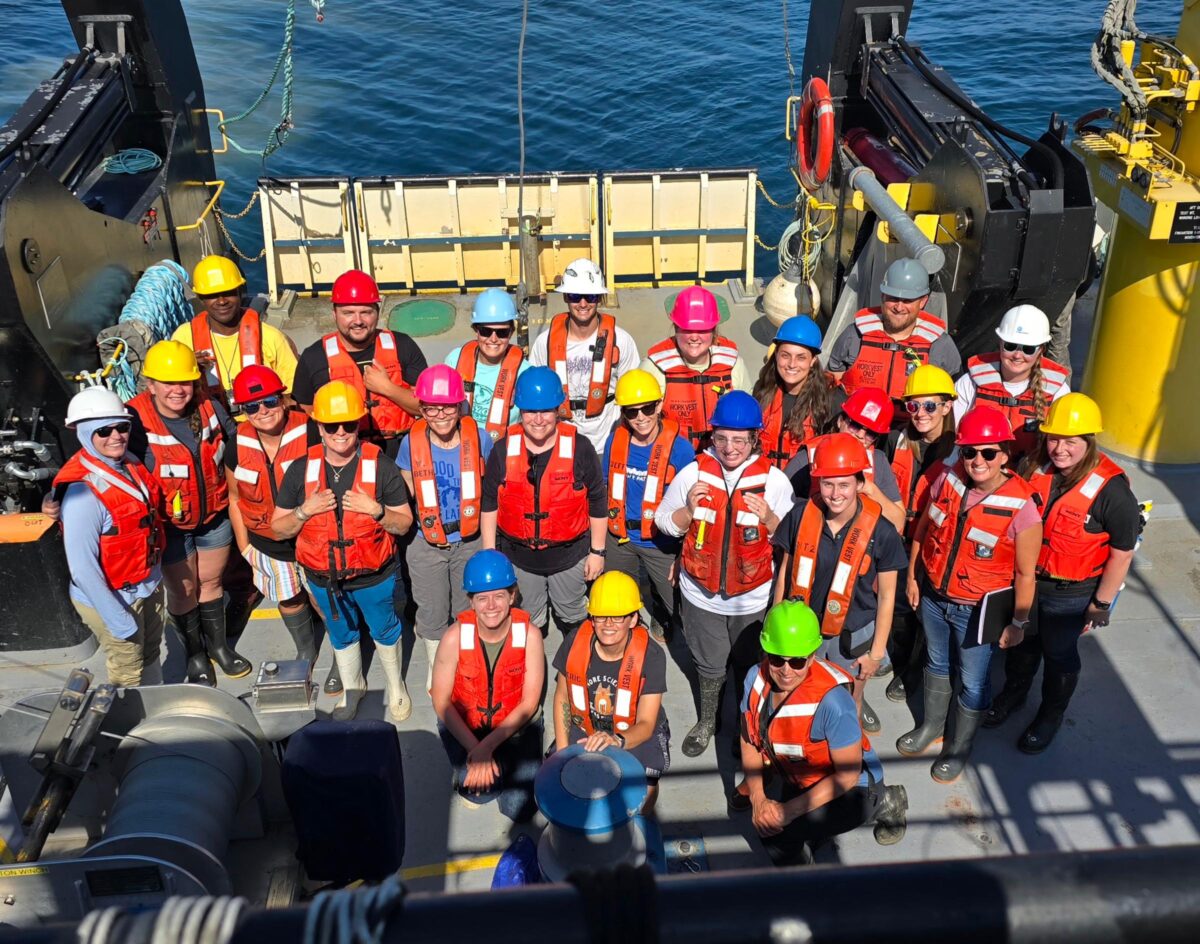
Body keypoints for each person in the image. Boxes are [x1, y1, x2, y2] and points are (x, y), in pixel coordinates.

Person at [985, 394, 1140, 753]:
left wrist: (1100, 604)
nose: (1060, 449)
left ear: (1089, 442)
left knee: (1059, 653)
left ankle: (1051, 713)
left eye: (1071, 441)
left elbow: (1122, 552)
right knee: (1022, 646)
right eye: (1054, 438)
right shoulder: (1035, 467)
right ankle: (1014, 694)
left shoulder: (1112, 492)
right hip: (1027, 581)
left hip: (1070, 593)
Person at [898, 406, 1042, 783]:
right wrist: (913, 578)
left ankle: (958, 748)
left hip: (977, 612)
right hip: (934, 597)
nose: (978, 460)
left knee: (975, 680)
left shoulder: (1022, 508)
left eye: (988, 452)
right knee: (936, 662)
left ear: (1005, 455)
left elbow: (1026, 574)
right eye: (969, 451)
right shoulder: (947, 481)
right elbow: (923, 532)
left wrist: (1018, 622)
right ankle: (931, 727)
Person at [654, 390, 794, 757]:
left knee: (749, 668)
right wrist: (687, 510)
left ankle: (744, 728)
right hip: (701, 596)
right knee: (709, 666)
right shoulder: (694, 473)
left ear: (754, 439)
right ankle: (708, 720)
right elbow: (663, 522)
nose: (730, 448)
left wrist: (769, 518)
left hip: (753, 599)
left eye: (739, 439)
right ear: (712, 436)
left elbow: (793, 539)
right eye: (722, 438)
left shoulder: (775, 481)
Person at [271, 381, 414, 721]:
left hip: (373, 575)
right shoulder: (299, 470)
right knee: (341, 633)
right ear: (319, 426)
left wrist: (376, 510)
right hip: (323, 577)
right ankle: (353, 689)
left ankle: (396, 687)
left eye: (348, 424)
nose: (340, 432)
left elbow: (404, 523)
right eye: (331, 425)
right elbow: (278, 527)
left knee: (385, 628)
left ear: (359, 424)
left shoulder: (381, 467)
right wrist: (304, 511)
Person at [738, 601, 908, 866]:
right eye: (776, 659)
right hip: (800, 774)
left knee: (776, 835)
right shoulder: (754, 679)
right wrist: (759, 799)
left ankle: (885, 800)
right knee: (775, 820)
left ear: (812, 655)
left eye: (797, 662)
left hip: (854, 787)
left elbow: (848, 775)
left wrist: (787, 812)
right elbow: (748, 738)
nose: (785, 671)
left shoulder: (833, 704)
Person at [770, 433, 907, 739]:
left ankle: (846, 757)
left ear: (860, 484)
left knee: (850, 699)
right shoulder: (799, 516)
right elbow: (784, 573)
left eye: (844, 484)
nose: (834, 494)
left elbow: (887, 597)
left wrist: (875, 653)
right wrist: (776, 624)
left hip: (853, 635)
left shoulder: (881, 532)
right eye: (827, 483)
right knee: (802, 695)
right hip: (802, 630)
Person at [127, 340, 247, 686]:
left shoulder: (210, 408)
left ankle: (219, 648)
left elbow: (238, 445)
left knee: (210, 583)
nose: (178, 391)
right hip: (168, 526)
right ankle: (196, 656)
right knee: (183, 592)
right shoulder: (134, 418)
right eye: (168, 383)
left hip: (214, 517)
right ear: (151, 385)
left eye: (185, 382)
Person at [222, 366, 342, 695]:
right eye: (251, 406)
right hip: (266, 545)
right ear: (242, 411)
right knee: (288, 598)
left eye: (270, 401)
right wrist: (245, 547)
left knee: (324, 601)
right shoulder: (236, 445)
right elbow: (234, 499)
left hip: (314, 540)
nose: (262, 411)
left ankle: (341, 658)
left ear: (284, 399)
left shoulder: (312, 433)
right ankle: (306, 650)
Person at [480, 366, 607, 636]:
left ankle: (573, 663)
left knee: (572, 611)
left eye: (546, 411)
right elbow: (490, 502)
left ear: (557, 410)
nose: (538, 420)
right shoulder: (502, 450)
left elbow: (597, 500)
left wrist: (597, 553)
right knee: (529, 618)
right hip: (519, 558)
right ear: (520, 411)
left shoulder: (581, 448)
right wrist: (491, 554)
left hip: (570, 557)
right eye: (530, 412)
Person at [52, 387, 166, 687]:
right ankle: (132, 729)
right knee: (128, 673)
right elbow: (82, 567)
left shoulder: (128, 463)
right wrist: (116, 617)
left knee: (150, 653)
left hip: (146, 584)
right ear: (85, 433)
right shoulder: (82, 494)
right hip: (114, 598)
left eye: (122, 427)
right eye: (103, 430)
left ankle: (158, 710)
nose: (116, 436)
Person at [397, 365, 493, 688]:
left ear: (460, 405)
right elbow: (403, 489)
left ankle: (465, 659)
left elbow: (492, 489)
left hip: (469, 541)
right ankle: (436, 664)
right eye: (431, 407)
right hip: (427, 544)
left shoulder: (478, 438)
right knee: (431, 611)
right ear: (421, 408)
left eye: (448, 406)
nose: (440, 414)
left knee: (466, 608)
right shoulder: (410, 445)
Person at [431, 549, 545, 820]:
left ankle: (496, 764)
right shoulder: (454, 637)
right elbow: (441, 701)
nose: (491, 606)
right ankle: (465, 769)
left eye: (499, 596)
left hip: (514, 728)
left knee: (521, 811)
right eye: (482, 598)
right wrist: (476, 747)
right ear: (471, 601)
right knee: (480, 793)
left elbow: (529, 704)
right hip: (468, 729)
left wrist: (486, 748)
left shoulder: (530, 635)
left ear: (512, 596)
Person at [552, 571, 670, 812]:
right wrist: (563, 752)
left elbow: (647, 723)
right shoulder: (574, 642)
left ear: (634, 619)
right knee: (561, 781)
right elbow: (562, 697)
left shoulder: (652, 656)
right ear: (591, 618)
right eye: (601, 616)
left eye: (617, 617)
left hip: (632, 731)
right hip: (584, 726)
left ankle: (640, 822)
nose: (608, 625)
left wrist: (616, 740)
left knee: (644, 787)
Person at [882, 364, 958, 703]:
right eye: (913, 406)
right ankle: (899, 655)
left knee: (925, 611)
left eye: (929, 406)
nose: (920, 414)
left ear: (947, 406)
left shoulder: (960, 452)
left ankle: (913, 667)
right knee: (900, 606)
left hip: (935, 545)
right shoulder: (897, 438)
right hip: (898, 536)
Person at [292, 269, 427, 456]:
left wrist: (387, 388)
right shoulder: (314, 357)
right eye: (348, 313)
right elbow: (305, 412)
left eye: (366, 312)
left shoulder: (403, 346)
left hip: (402, 450)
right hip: (345, 454)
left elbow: (427, 406)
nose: (358, 321)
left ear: (378, 312)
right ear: (334, 313)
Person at [602, 369, 695, 639]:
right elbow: (606, 488)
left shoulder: (681, 449)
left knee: (678, 609)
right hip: (620, 538)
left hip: (661, 542)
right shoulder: (614, 442)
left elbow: (691, 505)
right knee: (619, 601)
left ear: (660, 405)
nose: (640, 418)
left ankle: (662, 613)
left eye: (647, 408)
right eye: (632, 412)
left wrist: (682, 555)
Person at [529, 258, 639, 453]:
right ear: (565, 298)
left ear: (599, 297)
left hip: (607, 444)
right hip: (560, 443)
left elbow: (633, 397)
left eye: (590, 296)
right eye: (574, 295)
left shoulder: (621, 341)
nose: (582, 303)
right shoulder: (543, 343)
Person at [172, 255, 298, 414]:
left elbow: (293, 393)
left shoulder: (271, 337)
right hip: (210, 425)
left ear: (240, 292)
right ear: (201, 298)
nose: (222, 301)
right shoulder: (183, 339)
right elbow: (168, 391)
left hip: (260, 422)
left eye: (229, 293)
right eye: (212, 295)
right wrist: (185, 367)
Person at [828, 258, 961, 403]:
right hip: (858, 423)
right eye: (893, 298)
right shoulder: (854, 335)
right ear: (882, 296)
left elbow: (953, 400)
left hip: (913, 422)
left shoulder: (940, 344)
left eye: (908, 300)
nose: (899, 307)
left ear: (922, 301)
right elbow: (831, 383)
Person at [640, 286, 752, 451]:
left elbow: (747, 419)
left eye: (702, 329)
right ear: (676, 328)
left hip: (723, 457)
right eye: (687, 329)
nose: (694, 337)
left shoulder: (734, 365)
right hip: (672, 459)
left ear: (714, 330)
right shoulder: (654, 368)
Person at [954, 304, 1070, 458]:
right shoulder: (971, 381)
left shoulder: (1058, 391)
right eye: (1010, 346)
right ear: (1000, 344)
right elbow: (955, 440)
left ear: (1041, 350)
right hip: (980, 470)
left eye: (1028, 349)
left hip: (1031, 474)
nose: (1017, 355)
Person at [786, 387, 906, 533]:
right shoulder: (807, 458)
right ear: (840, 421)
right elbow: (779, 509)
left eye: (871, 433)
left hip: (859, 547)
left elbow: (899, 521)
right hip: (813, 542)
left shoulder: (878, 461)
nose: (861, 435)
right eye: (855, 425)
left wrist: (869, 488)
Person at [446, 288, 530, 442]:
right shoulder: (454, 360)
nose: (493, 339)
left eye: (502, 333)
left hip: (502, 451)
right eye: (486, 331)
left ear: (511, 332)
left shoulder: (525, 372)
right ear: (475, 330)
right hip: (461, 445)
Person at [753, 315, 837, 469]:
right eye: (785, 355)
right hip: (764, 479)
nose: (792, 364)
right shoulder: (762, 391)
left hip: (802, 487)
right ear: (776, 354)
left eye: (801, 358)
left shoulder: (830, 400)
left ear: (812, 361)